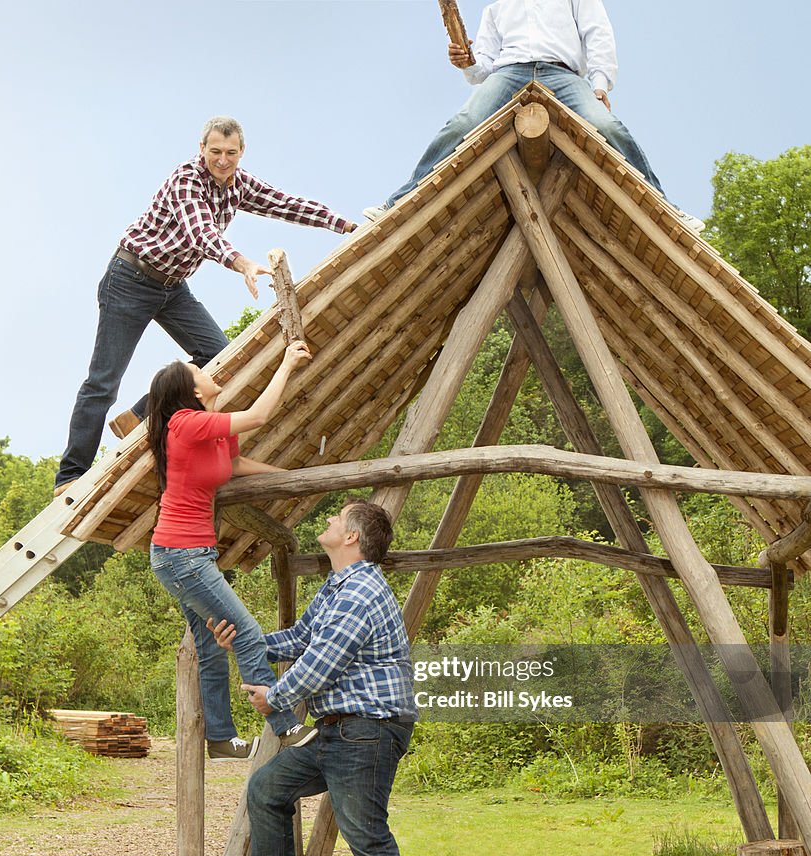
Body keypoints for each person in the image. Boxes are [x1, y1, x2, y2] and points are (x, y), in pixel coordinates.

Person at [54, 116, 357, 497]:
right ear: (202, 149)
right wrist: (242, 263)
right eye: (215, 152)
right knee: (103, 382)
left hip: (172, 287)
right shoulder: (186, 180)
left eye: (231, 153)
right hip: (130, 279)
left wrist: (343, 225)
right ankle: (70, 475)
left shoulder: (239, 184)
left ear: (241, 152)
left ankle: (140, 415)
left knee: (218, 353)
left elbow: (286, 204)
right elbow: (202, 233)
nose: (223, 160)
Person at [207, 499, 422, 856]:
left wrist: (275, 696)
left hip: (367, 729)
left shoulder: (361, 590)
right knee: (267, 789)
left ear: (352, 537)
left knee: (367, 837)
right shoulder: (337, 586)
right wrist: (243, 641)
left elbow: (323, 661)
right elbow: (302, 638)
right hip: (338, 729)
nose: (326, 520)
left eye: (335, 518)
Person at [363, 0, 704, 233]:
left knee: (605, 126)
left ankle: (666, 209)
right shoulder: (497, 8)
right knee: (463, 124)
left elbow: (597, 34)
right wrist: (466, 60)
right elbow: (482, 65)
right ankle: (398, 203)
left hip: (563, 73)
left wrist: (600, 83)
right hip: (509, 72)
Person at [147, 346, 318, 760]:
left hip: (187, 556)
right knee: (246, 633)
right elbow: (260, 416)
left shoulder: (214, 428)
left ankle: (221, 739)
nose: (205, 371)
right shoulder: (184, 423)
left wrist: (294, 479)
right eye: (196, 370)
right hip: (181, 554)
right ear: (192, 391)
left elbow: (237, 466)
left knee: (210, 648)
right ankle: (285, 724)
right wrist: (286, 364)